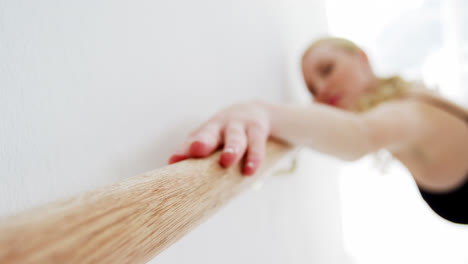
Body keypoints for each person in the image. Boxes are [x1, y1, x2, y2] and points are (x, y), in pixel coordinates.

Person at [168, 37, 468, 224]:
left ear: (361, 58)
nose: (322, 91)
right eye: (312, 88)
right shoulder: (412, 103)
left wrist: (262, 112)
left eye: (327, 69)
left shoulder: (412, 109)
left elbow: (360, 135)